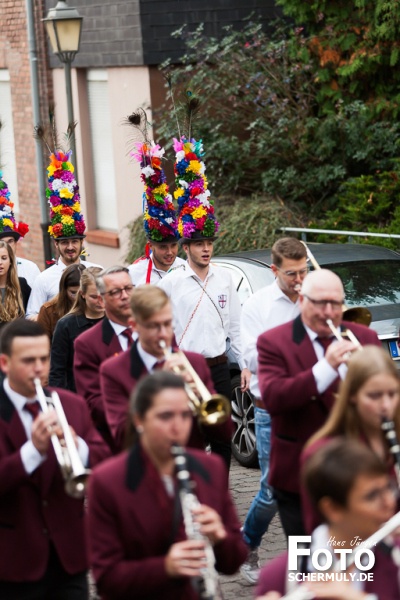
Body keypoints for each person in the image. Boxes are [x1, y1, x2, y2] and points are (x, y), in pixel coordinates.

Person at [87, 371, 247, 600]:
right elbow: (106, 578)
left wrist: (220, 537)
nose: (177, 426)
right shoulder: (107, 481)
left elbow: (234, 561)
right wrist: (165, 568)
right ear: (139, 419)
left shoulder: (210, 468)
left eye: (184, 415)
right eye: (165, 416)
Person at [257, 268, 381, 537]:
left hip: (358, 474)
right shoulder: (273, 341)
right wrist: (326, 367)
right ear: (303, 301)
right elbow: (274, 398)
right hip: (298, 476)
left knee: (360, 564)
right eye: (320, 303)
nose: (328, 312)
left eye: (335, 304)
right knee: (306, 566)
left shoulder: (365, 338)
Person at [0, 319, 110, 599]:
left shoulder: (69, 404)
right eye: (28, 360)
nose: (38, 368)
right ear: (4, 363)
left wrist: (79, 447)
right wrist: (33, 451)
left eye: (44, 359)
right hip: (12, 562)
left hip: (69, 558)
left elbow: (104, 462)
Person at [239, 237, 308, 584]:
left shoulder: (313, 299)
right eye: (291, 274)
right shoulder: (257, 305)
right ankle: (246, 542)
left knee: (309, 488)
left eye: (304, 271)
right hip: (270, 409)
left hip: (311, 406)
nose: (299, 280)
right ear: (274, 270)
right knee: (271, 489)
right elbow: (251, 355)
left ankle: (305, 571)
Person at [255, 439, 400, 600]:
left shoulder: (395, 557)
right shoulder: (277, 577)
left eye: (389, 488)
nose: (389, 502)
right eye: (372, 496)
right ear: (332, 509)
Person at [100, 285, 232, 460]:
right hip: (144, 469)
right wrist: (158, 386)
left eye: (168, 324)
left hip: (191, 466)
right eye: (154, 326)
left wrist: (200, 400)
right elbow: (122, 437)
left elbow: (224, 433)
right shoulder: (114, 370)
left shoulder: (194, 363)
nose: (163, 334)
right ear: (134, 326)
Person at [301, 344, 400, 534]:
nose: (386, 405)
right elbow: (318, 530)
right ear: (352, 395)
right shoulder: (324, 453)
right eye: (374, 396)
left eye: (392, 394)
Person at [26, 144, 101, 318]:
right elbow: (31, 315)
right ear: (56, 244)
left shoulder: (97, 271)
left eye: (74, 241)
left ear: (82, 242)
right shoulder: (44, 279)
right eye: (64, 242)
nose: (70, 247)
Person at [74, 266, 134, 449]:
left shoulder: (156, 329)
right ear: (101, 299)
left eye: (128, 289)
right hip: (119, 442)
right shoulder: (87, 343)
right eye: (116, 292)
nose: (124, 296)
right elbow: (93, 401)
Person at [127, 109, 186, 285]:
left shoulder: (185, 269)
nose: (170, 252)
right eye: (163, 247)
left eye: (173, 245)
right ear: (150, 245)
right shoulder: (133, 274)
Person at [49, 267, 105, 392]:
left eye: (104, 294)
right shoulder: (66, 325)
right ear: (82, 294)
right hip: (77, 397)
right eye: (94, 297)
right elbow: (57, 372)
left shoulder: (116, 321)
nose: (101, 301)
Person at [0, 168, 40, 288]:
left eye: (10, 241)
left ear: (16, 242)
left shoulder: (30, 269)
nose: (8, 246)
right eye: (2, 242)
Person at [37, 263, 86, 341]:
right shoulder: (48, 310)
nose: (77, 297)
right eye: (73, 293)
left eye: (82, 292)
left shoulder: (96, 307)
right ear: (64, 290)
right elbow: (42, 346)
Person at [0, 240, 30, 327]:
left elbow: (32, 313)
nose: (0, 262)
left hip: (18, 338)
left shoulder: (21, 284)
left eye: (4, 258)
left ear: (10, 261)